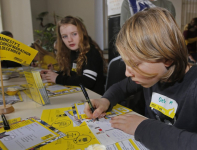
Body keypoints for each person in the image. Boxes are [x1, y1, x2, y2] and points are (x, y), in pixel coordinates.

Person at [84, 7, 197, 148]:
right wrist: (105, 100)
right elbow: (120, 88)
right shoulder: (153, 77)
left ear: (167, 58)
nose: (127, 73)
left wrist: (143, 127)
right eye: (126, 63)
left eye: (135, 63)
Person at [41, 16, 106, 95]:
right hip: (79, 95)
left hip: (94, 99)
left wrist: (57, 78)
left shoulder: (91, 52)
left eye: (74, 34)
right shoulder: (73, 51)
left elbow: (87, 81)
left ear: (83, 33)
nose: (69, 40)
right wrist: (51, 74)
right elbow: (70, 74)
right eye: (65, 36)